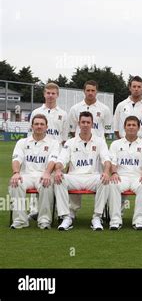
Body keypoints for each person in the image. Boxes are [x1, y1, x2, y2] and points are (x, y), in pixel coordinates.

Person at [53, 111, 111, 231]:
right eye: (83, 122)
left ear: (92, 124)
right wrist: (58, 170)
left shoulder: (100, 141)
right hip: (74, 177)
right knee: (59, 179)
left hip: (92, 177)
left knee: (104, 180)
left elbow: (106, 160)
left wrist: (106, 172)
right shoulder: (70, 142)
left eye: (88, 122)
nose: (85, 125)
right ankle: (66, 216)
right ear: (79, 124)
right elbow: (61, 160)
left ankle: (97, 217)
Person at [67, 80, 113, 218]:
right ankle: (71, 212)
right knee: (75, 176)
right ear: (84, 91)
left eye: (93, 90)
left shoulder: (104, 109)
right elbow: (71, 131)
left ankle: (99, 213)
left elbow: (107, 130)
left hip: (98, 149)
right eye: (88, 90)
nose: (90, 93)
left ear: (96, 91)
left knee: (101, 180)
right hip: (79, 148)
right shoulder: (75, 108)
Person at [9, 114, 59, 229]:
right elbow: (16, 159)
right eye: (36, 124)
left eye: (42, 124)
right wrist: (16, 173)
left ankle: (44, 220)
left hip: (43, 175)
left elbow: (53, 159)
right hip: (26, 175)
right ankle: (20, 220)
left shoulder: (53, 143)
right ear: (32, 126)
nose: (39, 126)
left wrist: (47, 173)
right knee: (16, 183)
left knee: (46, 184)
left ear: (46, 127)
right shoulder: (22, 142)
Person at [27, 82, 68, 220]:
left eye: (53, 93)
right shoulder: (36, 112)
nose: (50, 96)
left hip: (56, 154)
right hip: (38, 153)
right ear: (44, 94)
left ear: (57, 95)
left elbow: (64, 138)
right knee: (36, 177)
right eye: (48, 93)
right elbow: (30, 135)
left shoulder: (63, 114)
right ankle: (34, 210)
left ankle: (56, 211)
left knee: (56, 181)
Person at [108, 116, 142, 230]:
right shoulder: (116, 144)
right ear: (124, 127)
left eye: (134, 125)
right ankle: (115, 220)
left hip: (137, 176)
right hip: (121, 176)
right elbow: (112, 161)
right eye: (129, 125)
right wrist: (114, 173)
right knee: (113, 184)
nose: (131, 127)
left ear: (138, 128)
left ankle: (139, 221)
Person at [114, 75, 142, 140]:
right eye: (134, 86)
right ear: (130, 88)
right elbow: (116, 130)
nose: (136, 89)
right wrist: (123, 140)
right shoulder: (121, 105)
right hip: (124, 144)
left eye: (139, 87)